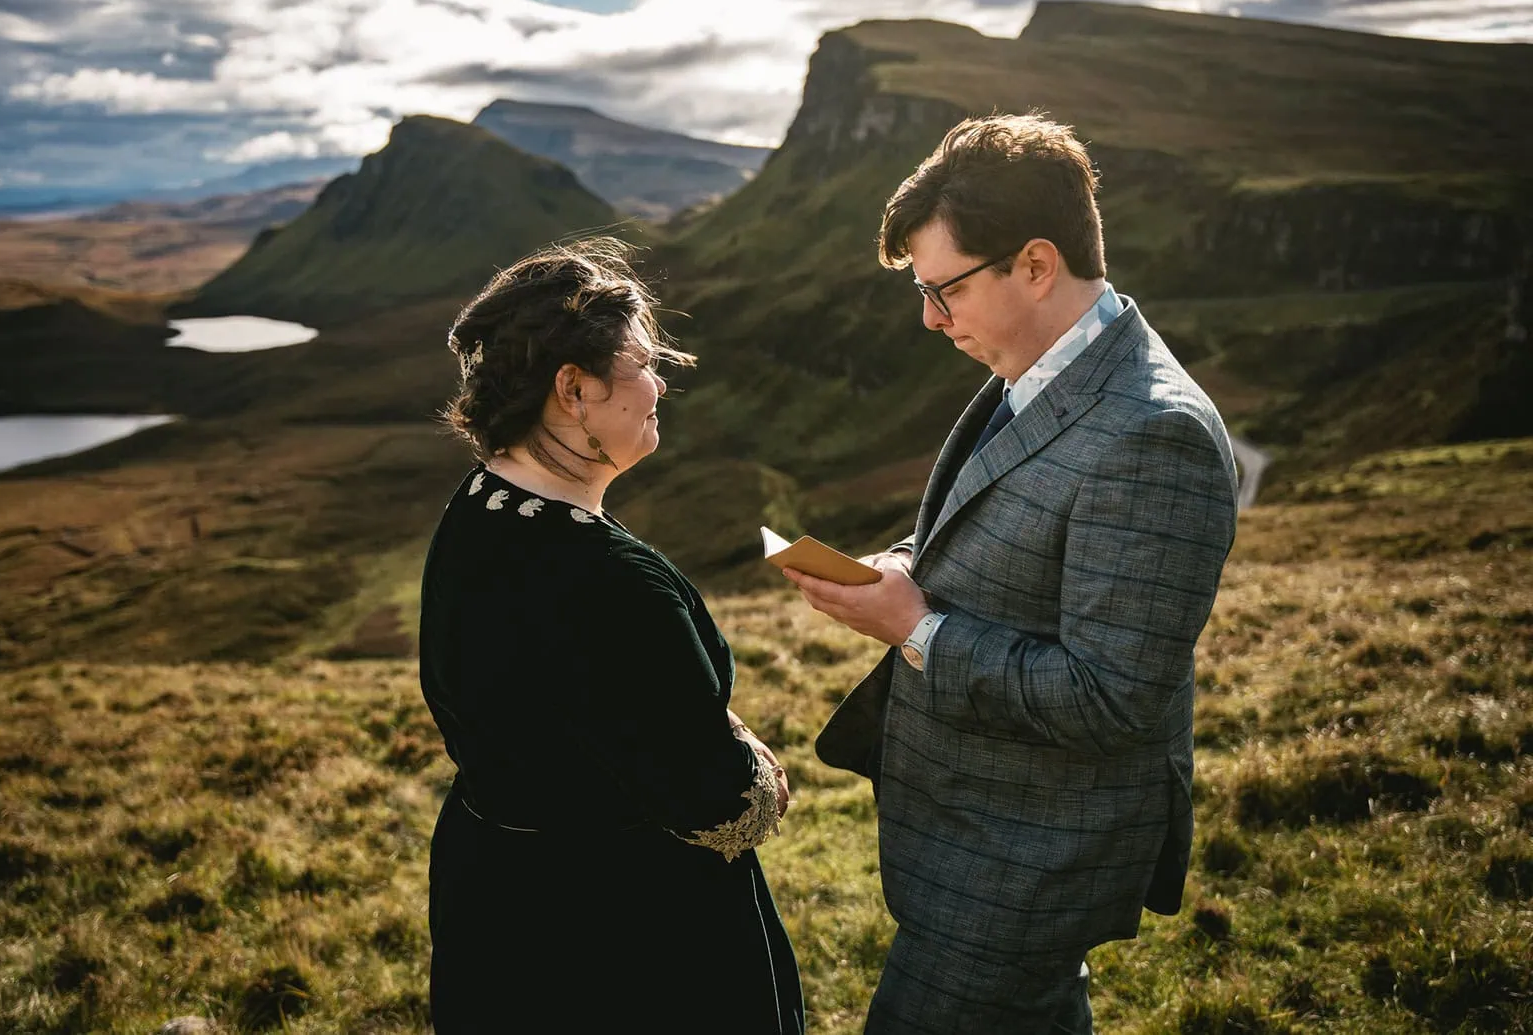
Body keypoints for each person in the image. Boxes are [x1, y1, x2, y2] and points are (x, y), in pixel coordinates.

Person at [788, 114, 1239, 1033]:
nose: (929, 318)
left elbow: (1111, 698)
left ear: (1035, 265)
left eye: (943, 290)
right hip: (972, 834)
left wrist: (914, 628)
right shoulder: (1035, 368)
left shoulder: (1156, 434)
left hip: (1030, 862)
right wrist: (910, 570)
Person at [419, 237, 805, 1034]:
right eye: (642, 364)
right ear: (574, 387)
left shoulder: (476, 507)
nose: (660, 383)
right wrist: (758, 769)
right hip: (627, 931)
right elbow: (712, 792)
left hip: (496, 900)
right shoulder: (615, 583)